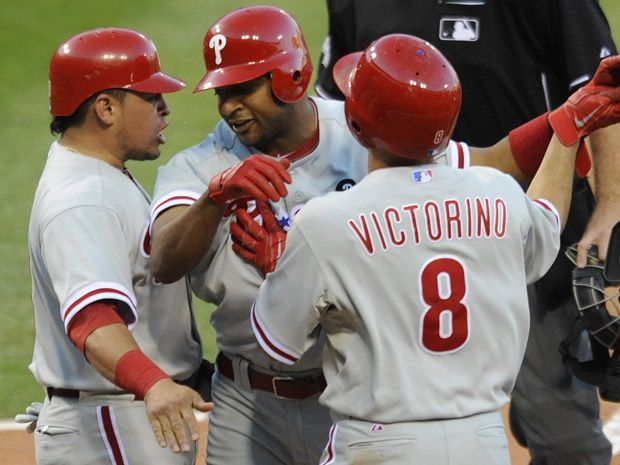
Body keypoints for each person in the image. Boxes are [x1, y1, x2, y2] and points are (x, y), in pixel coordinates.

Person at [148, 5, 606, 465]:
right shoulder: (201, 166)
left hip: (354, 403)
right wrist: (214, 199)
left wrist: (287, 265)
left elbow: (492, 158)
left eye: (243, 88)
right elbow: (164, 262)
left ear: (290, 76)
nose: (229, 106)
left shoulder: (358, 146)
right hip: (257, 402)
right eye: (221, 92)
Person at [315, 1, 620, 464]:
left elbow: (602, 93)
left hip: (520, 229)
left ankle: (532, 403)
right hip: (390, 238)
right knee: (382, 413)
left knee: (561, 435)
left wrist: (611, 206)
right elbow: (328, 111)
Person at [28, 27, 213, 465]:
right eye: (150, 98)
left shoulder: (96, 173)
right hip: (114, 422)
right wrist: (155, 383)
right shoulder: (84, 198)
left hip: (115, 411)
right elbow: (93, 323)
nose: (164, 108)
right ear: (105, 108)